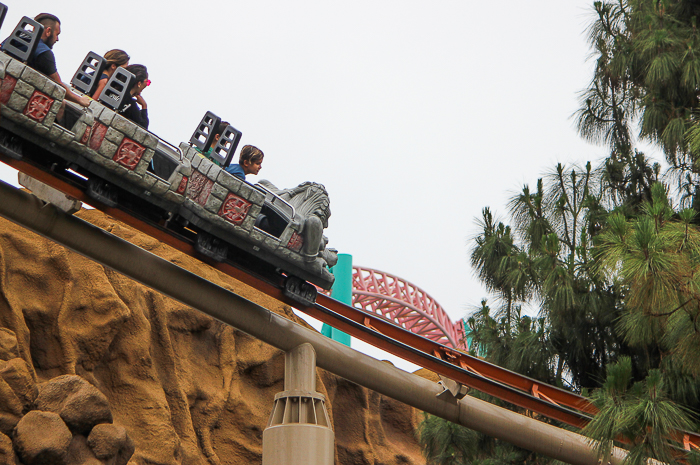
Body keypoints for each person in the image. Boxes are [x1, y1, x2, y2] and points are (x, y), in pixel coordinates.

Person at [1, 13, 90, 111]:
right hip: (15, 99)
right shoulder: (44, 53)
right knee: (61, 105)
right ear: (48, 31)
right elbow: (59, 87)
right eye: (57, 34)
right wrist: (80, 100)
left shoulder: (13, 38)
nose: (57, 39)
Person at [119, 64, 149, 129]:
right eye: (147, 82)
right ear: (139, 83)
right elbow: (143, 128)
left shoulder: (111, 89)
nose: (146, 85)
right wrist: (144, 106)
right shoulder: (130, 104)